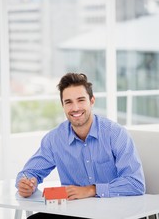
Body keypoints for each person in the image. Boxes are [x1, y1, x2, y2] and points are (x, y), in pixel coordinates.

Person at [15, 72, 145, 219]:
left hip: (114, 211)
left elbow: (136, 183)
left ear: (92, 101)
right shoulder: (54, 139)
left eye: (81, 100)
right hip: (74, 212)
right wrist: (25, 184)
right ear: (63, 105)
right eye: (68, 102)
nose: (75, 108)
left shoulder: (115, 134)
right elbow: (29, 173)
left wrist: (91, 190)